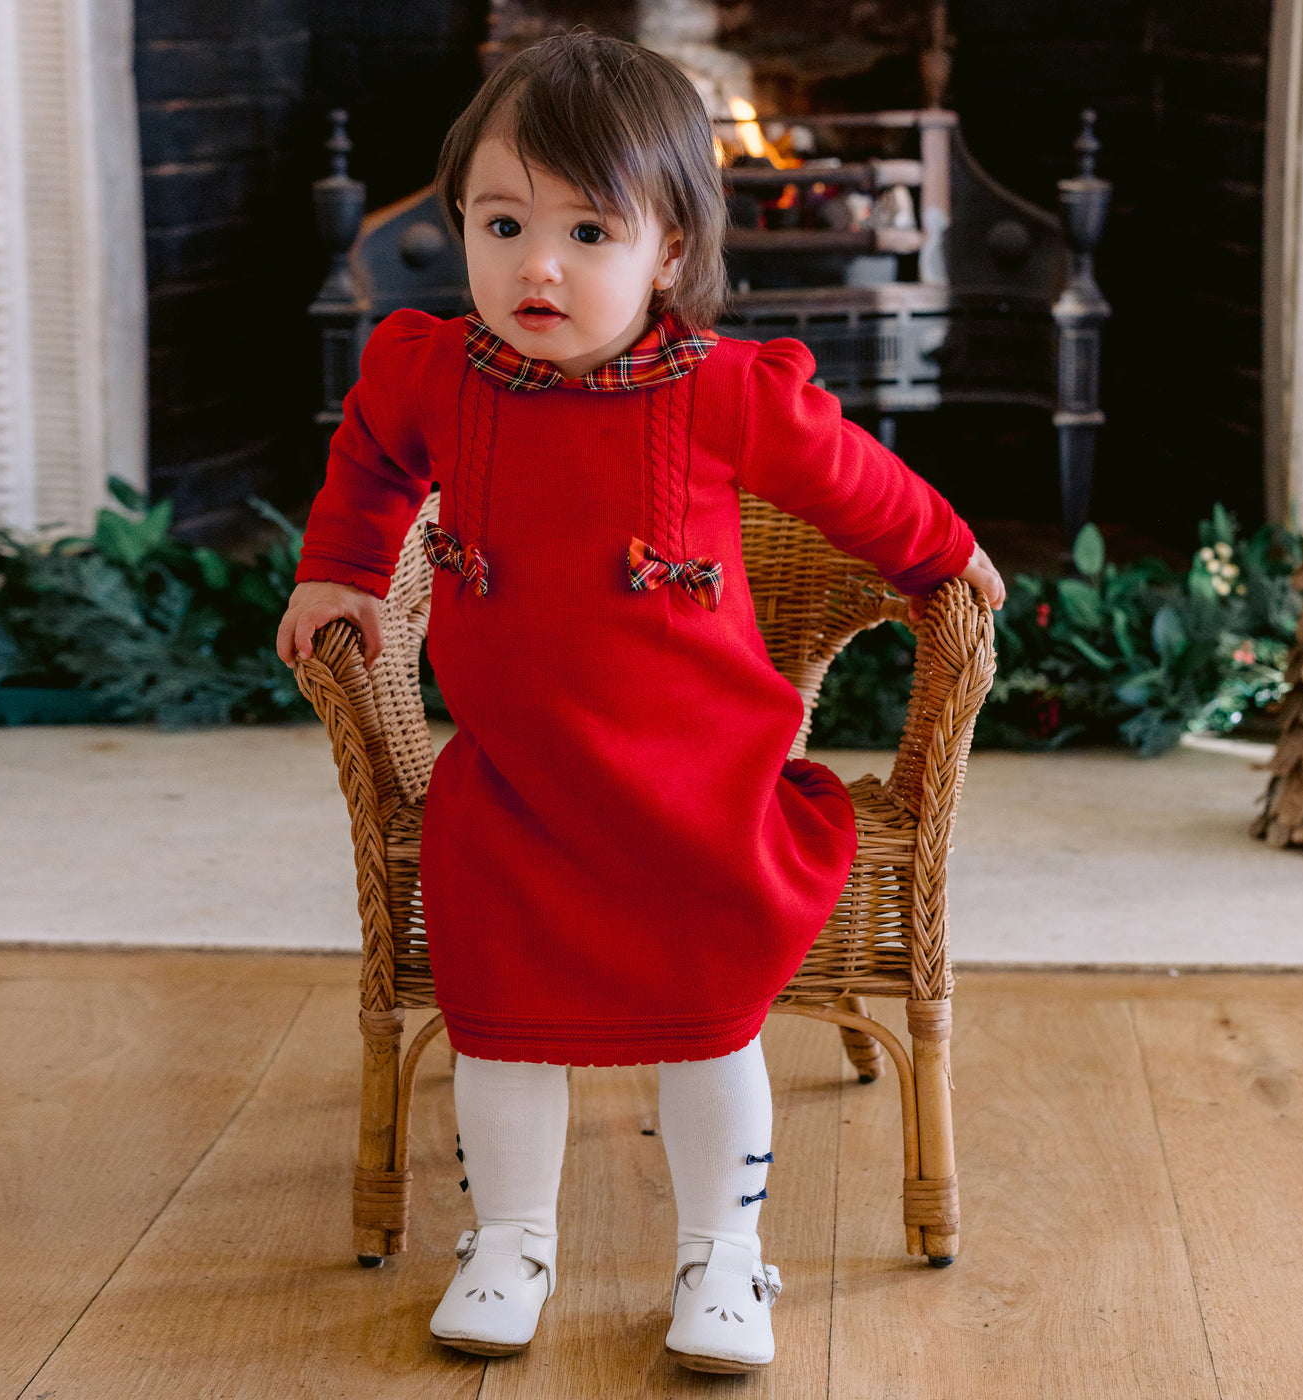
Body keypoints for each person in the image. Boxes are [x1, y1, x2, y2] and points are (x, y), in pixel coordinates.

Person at [277, 30, 1005, 1375]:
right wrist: (343, 569)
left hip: (697, 793)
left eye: (588, 231)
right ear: (461, 223)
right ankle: (509, 1238)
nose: (536, 267)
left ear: (668, 249)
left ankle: (722, 1253)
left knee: (709, 1013)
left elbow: (859, 481)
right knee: (498, 1015)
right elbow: (370, 455)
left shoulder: (721, 394)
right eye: (502, 224)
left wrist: (947, 555)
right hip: (518, 783)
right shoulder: (435, 376)